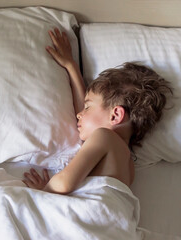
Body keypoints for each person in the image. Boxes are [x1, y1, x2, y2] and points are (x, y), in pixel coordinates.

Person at [22, 28, 172, 194]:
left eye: (87, 107)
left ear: (115, 115)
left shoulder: (104, 137)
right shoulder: (127, 165)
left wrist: (43, 192)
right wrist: (71, 67)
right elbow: (90, 119)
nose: (79, 114)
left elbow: (64, 184)